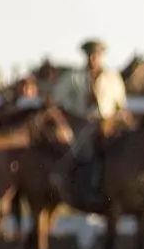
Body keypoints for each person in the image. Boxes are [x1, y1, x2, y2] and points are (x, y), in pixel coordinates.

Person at [51, 39, 129, 206]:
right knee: (84, 149)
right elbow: (56, 99)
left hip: (107, 123)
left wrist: (116, 119)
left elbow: (121, 105)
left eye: (97, 55)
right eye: (90, 55)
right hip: (82, 122)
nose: (93, 59)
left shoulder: (112, 77)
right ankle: (86, 189)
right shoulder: (74, 77)